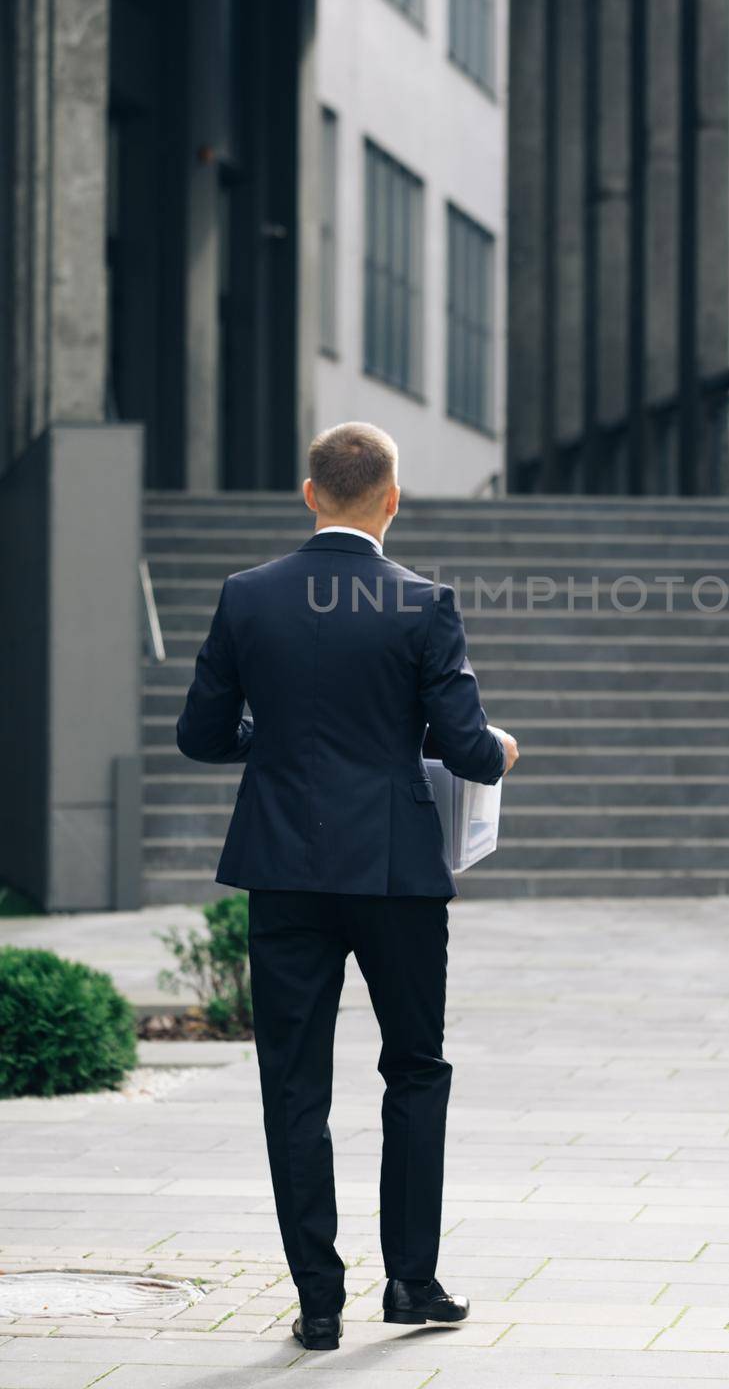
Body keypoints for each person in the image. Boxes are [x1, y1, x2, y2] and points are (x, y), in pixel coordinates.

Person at [175, 421, 519, 1352]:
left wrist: (269, 743)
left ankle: (317, 1303)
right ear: (392, 499)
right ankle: (411, 1283)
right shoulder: (423, 604)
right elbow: (465, 745)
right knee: (414, 1067)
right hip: (395, 872)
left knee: (293, 1082)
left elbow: (201, 736)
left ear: (309, 493)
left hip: (283, 869)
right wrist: (503, 752)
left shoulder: (248, 598)